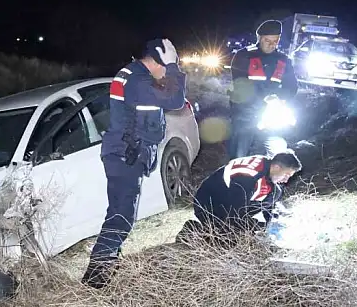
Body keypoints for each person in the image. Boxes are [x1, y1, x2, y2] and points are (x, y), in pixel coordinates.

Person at [81, 38, 187, 289]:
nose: (166, 74)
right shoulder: (138, 81)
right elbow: (175, 100)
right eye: (166, 66)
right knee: (121, 216)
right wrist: (174, 67)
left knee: (119, 213)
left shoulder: (132, 75)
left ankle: (107, 265)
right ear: (158, 61)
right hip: (124, 156)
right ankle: (96, 278)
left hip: (123, 154)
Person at [175, 151, 302, 248]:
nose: (286, 180)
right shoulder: (248, 177)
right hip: (209, 203)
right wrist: (258, 227)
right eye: (286, 175)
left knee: (275, 194)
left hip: (232, 200)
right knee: (228, 243)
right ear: (277, 167)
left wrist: (272, 222)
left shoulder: (267, 170)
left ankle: (225, 231)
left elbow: (266, 205)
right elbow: (234, 213)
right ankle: (193, 230)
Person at [227, 20, 298, 160]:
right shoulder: (244, 56)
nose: (271, 45)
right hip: (246, 113)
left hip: (272, 115)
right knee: (239, 154)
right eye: (267, 40)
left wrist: (279, 98)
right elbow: (240, 84)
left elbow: (292, 86)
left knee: (278, 153)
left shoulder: (284, 60)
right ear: (259, 38)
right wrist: (265, 97)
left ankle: (270, 173)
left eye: (275, 41)